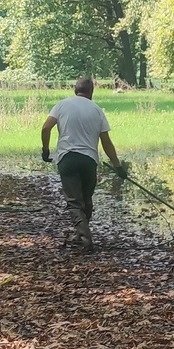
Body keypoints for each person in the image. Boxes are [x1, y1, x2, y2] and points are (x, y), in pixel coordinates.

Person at [40, 77, 127, 252]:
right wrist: (118, 166)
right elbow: (106, 142)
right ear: (91, 92)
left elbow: (45, 128)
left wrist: (46, 150)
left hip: (67, 159)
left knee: (74, 202)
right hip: (89, 160)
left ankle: (84, 237)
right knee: (86, 200)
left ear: (75, 90)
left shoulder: (62, 105)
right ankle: (82, 233)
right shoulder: (97, 110)